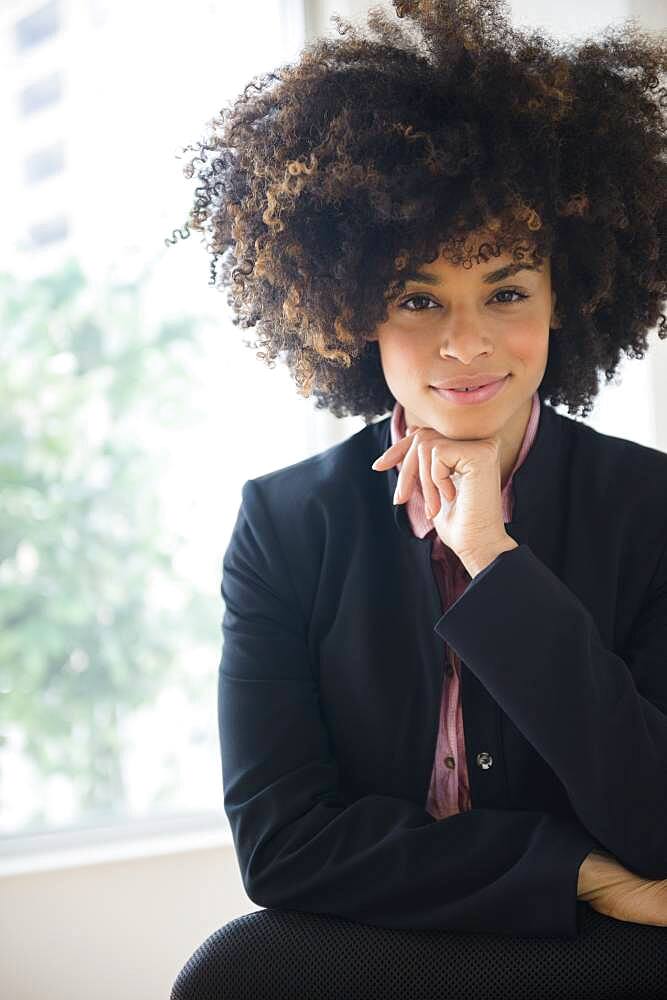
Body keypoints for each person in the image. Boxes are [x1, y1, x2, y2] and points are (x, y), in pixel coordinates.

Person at [169, 0, 667, 937]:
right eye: (416, 297)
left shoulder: (651, 510)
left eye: (507, 291)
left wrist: (491, 557)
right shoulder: (284, 526)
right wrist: (577, 873)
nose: (467, 343)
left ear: (568, 296)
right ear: (352, 307)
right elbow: (279, 850)